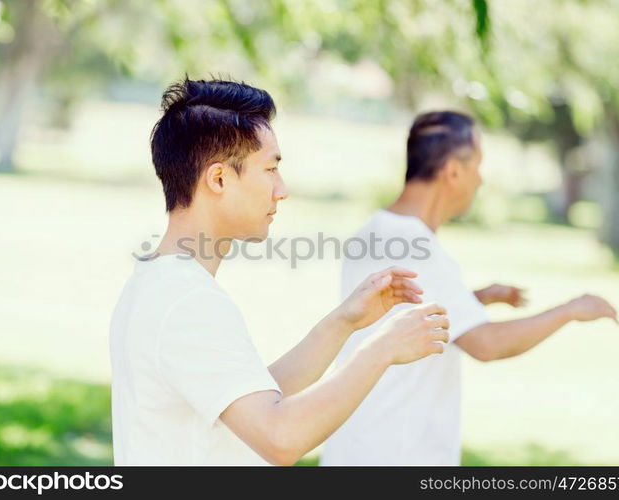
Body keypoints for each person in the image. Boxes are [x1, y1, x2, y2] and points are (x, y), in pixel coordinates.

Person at [109, 78, 450, 466]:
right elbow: (280, 438)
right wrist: (381, 349)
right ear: (219, 179)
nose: (281, 189)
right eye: (270, 169)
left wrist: (341, 324)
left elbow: (254, 400)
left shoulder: (160, 281)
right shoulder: (187, 301)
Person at [320, 111, 619, 466]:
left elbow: (398, 314)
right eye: (477, 164)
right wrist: (571, 309)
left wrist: (473, 299)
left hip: (356, 447)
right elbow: (486, 344)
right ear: (453, 171)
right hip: (398, 453)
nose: (480, 179)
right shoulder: (420, 248)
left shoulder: (374, 232)